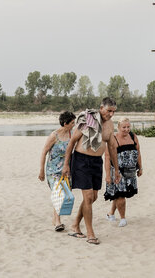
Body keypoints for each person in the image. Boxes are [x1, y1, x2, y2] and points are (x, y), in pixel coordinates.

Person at [64, 97, 118, 245]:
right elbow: (72, 142)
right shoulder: (88, 119)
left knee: (93, 197)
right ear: (101, 108)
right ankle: (90, 233)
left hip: (96, 162)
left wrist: (116, 170)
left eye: (113, 112)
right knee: (88, 197)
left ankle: (75, 225)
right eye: (109, 111)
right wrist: (66, 165)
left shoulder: (110, 125)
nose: (111, 114)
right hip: (81, 160)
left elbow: (112, 147)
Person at [38, 111, 76, 232]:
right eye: (72, 123)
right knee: (58, 192)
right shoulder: (54, 136)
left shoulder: (72, 134)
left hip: (66, 170)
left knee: (64, 194)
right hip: (52, 170)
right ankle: (58, 221)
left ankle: (55, 219)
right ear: (65, 123)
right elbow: (44, 152)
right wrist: (41, 171)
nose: (74, 125)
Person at [104, 118, 143, 226]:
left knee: (119, 194)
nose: (126, 129)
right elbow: (107, 158)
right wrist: (108, 175)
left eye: (128, 127)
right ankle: (123, 218)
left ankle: (110, 214)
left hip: (131, 172)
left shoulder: (133, 136)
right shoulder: (113, 139)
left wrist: (140, 167)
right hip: (117, 172)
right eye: (124, 127)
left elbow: (138, 152)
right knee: (120, 195)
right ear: (118, 128)